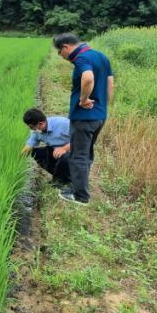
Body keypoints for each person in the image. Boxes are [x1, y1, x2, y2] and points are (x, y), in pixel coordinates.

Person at [53, 33, 114, 205]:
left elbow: (88, 78)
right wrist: (103, 105)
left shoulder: (81, 58)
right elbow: (110, 83)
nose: (61, 56)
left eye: (59, 52)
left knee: (78, 155)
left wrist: (83, 99)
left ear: (65, 47)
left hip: (84, 117)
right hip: (99, 116)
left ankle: (80, 196)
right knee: (87, 154)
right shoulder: (101, 56)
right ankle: (80, 187)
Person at [21, 108, 71, 186]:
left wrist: (64, 148)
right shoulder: (36, 131)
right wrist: (18, 160)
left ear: (40, 124)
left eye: (31, 127)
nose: (31, 130)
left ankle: (67, 178)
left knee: (64, 156)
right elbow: (28, 147)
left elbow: (82, 140)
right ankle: (59, 176)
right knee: (36, 153)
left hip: (73, 151)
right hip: (56, 152)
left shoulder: (63, 124)